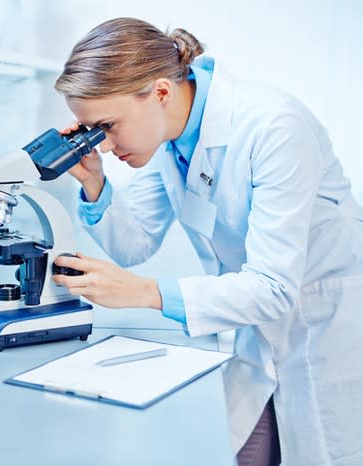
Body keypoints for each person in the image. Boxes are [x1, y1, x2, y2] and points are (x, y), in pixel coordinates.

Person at [51, 17, 363, 466]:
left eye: (107, 126)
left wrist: (143, 292)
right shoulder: (170, 138)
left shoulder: (274, 127)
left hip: (324, 332)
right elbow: (135, 242)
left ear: (160, 92)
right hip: (254, 335)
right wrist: (96, 185)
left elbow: (274, 288)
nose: (101, 146)